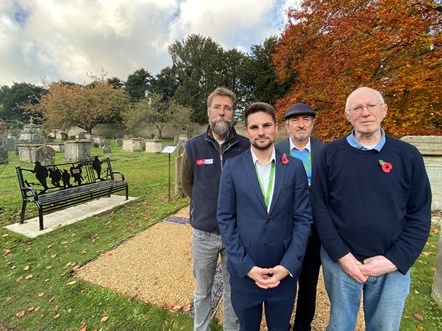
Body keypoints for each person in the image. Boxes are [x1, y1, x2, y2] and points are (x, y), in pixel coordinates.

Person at [311, 87, 432, 331]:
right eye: (357, 108)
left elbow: (419, 213)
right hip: (342, 262)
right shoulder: (330, 155)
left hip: (392, 264)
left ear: (384, 110)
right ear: (347, 115)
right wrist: (342, 256)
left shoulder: (407, 156)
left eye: (371, 106)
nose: (365, 113)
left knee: (385, 327)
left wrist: (394, 260)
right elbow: (319, 207)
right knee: (340, 325)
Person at [217, 102, 312, 330]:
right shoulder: (232, 167)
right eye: (254, 127)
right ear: (246, 131)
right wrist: (246, 266)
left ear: (276, 127)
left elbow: (303, 219)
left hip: (283, 273)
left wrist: (288, 265)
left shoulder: (295, 167)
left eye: (266, 125)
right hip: (245, 274)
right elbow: (225, 218)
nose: (261, 132)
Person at [181, 87, 249, 331]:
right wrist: (205, 205)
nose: (222, 112)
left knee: (234, 291)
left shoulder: (245, 146)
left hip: (236, 234)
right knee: (202, 290)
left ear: (233, 113)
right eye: (217, 107)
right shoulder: (193, 146)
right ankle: (201, 328)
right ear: (209, 111)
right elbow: (187, 183)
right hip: (203, 234)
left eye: (228, 108)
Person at [275, 103, 324, 331]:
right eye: (295, 120)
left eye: (306, 119)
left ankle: (303, 326)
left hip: (315, 230)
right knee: (283, 281)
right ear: (287, 125)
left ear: (313, 124)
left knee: (309, 282)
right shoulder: (276, 151)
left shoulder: (325, 152)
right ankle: (280, 324)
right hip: (284, 229)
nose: (301, 124)